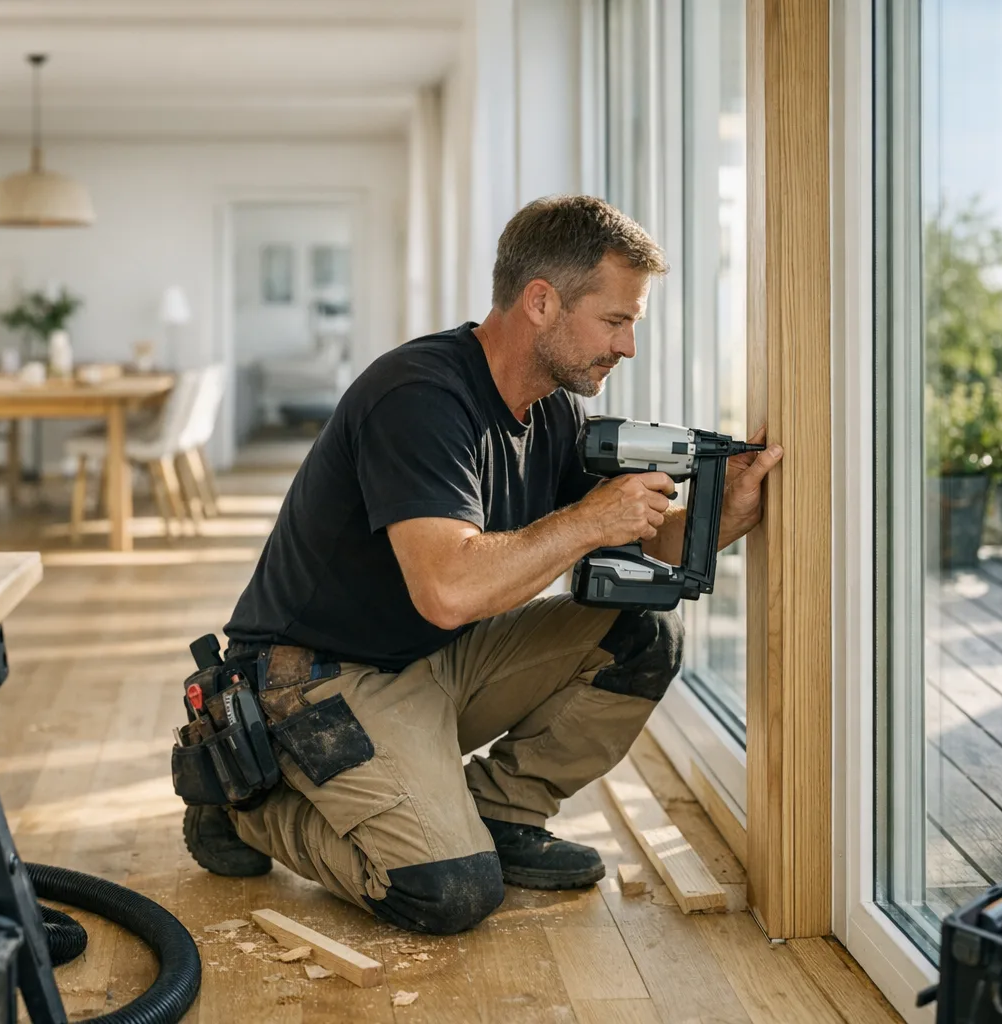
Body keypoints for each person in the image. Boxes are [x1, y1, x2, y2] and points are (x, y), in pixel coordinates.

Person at [182, 194, 784, 934]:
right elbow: (448, 588)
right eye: (616, 320)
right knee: (447, 892)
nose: (628, 346)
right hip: (312, 678)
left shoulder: (551, 409)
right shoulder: (420, 398)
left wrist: (726, 516)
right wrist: (588, 519)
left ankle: (500, 815)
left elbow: (621, 535)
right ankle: (249, 805)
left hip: (433, 659)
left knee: (640, 634)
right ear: (541, 302)